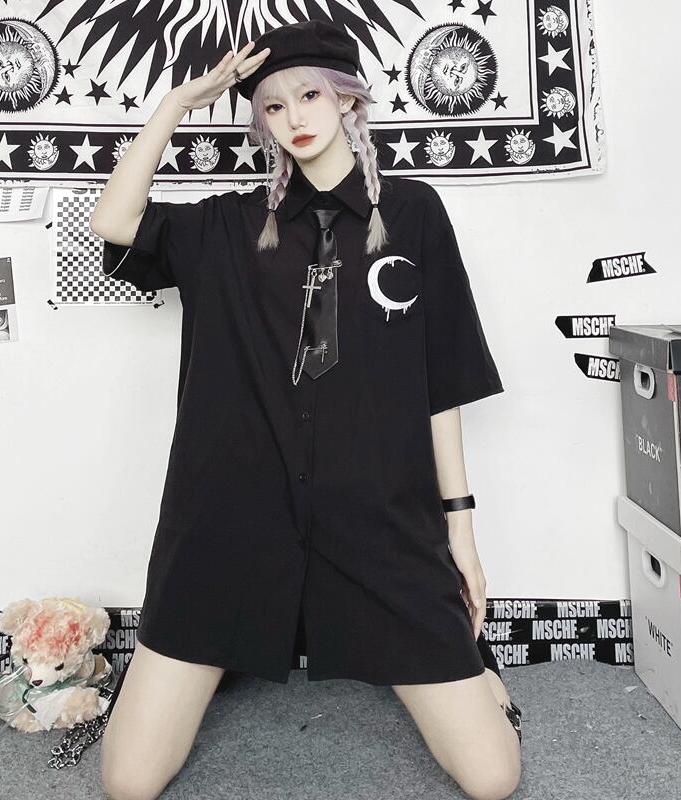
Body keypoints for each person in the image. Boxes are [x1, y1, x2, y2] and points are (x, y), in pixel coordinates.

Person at [89, 19, 521, 800]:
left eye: (311, 95)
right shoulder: (227, 226)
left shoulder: (415, 214)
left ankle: (461, 661)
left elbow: (442, 382)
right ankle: (222, 652)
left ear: (347, 99)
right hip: (230, 527)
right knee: (128, 782)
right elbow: (114, 225)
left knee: (493, 778)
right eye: (273, 105)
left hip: (378, 526)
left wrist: (461, 533)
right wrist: (177, 105)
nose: (295, 117)